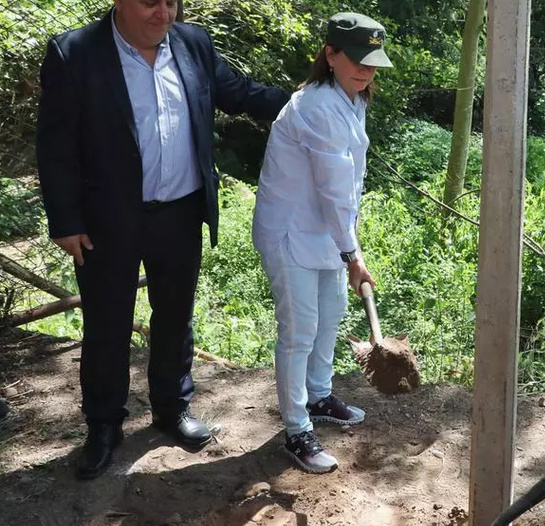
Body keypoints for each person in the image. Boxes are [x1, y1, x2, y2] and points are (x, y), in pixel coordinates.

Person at [36, 0, 289, 480]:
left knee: (175, 314)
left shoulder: (193, 44)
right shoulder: (76, 54)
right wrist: (65, 221)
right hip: (107, 219)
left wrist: (311, 96)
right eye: (151, 2)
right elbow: (56, 146)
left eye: (171, 1)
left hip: (180, 211)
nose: (164, 13)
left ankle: (172, 409)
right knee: (108, 324)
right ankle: (104, 427)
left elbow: (240, 93)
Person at [252, 12, 392, 474]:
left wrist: (347, 246)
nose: (366, 70)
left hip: (327, 232)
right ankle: (296, 429)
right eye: (357, 60)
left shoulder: (351, 100)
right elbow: (333, 189)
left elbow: (347, 187)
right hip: (292, 232)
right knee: (299, 332)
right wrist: (354, 255)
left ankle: (317, 395)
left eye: (373, 63)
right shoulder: (314, 107)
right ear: (330, 55)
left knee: (330, 316)